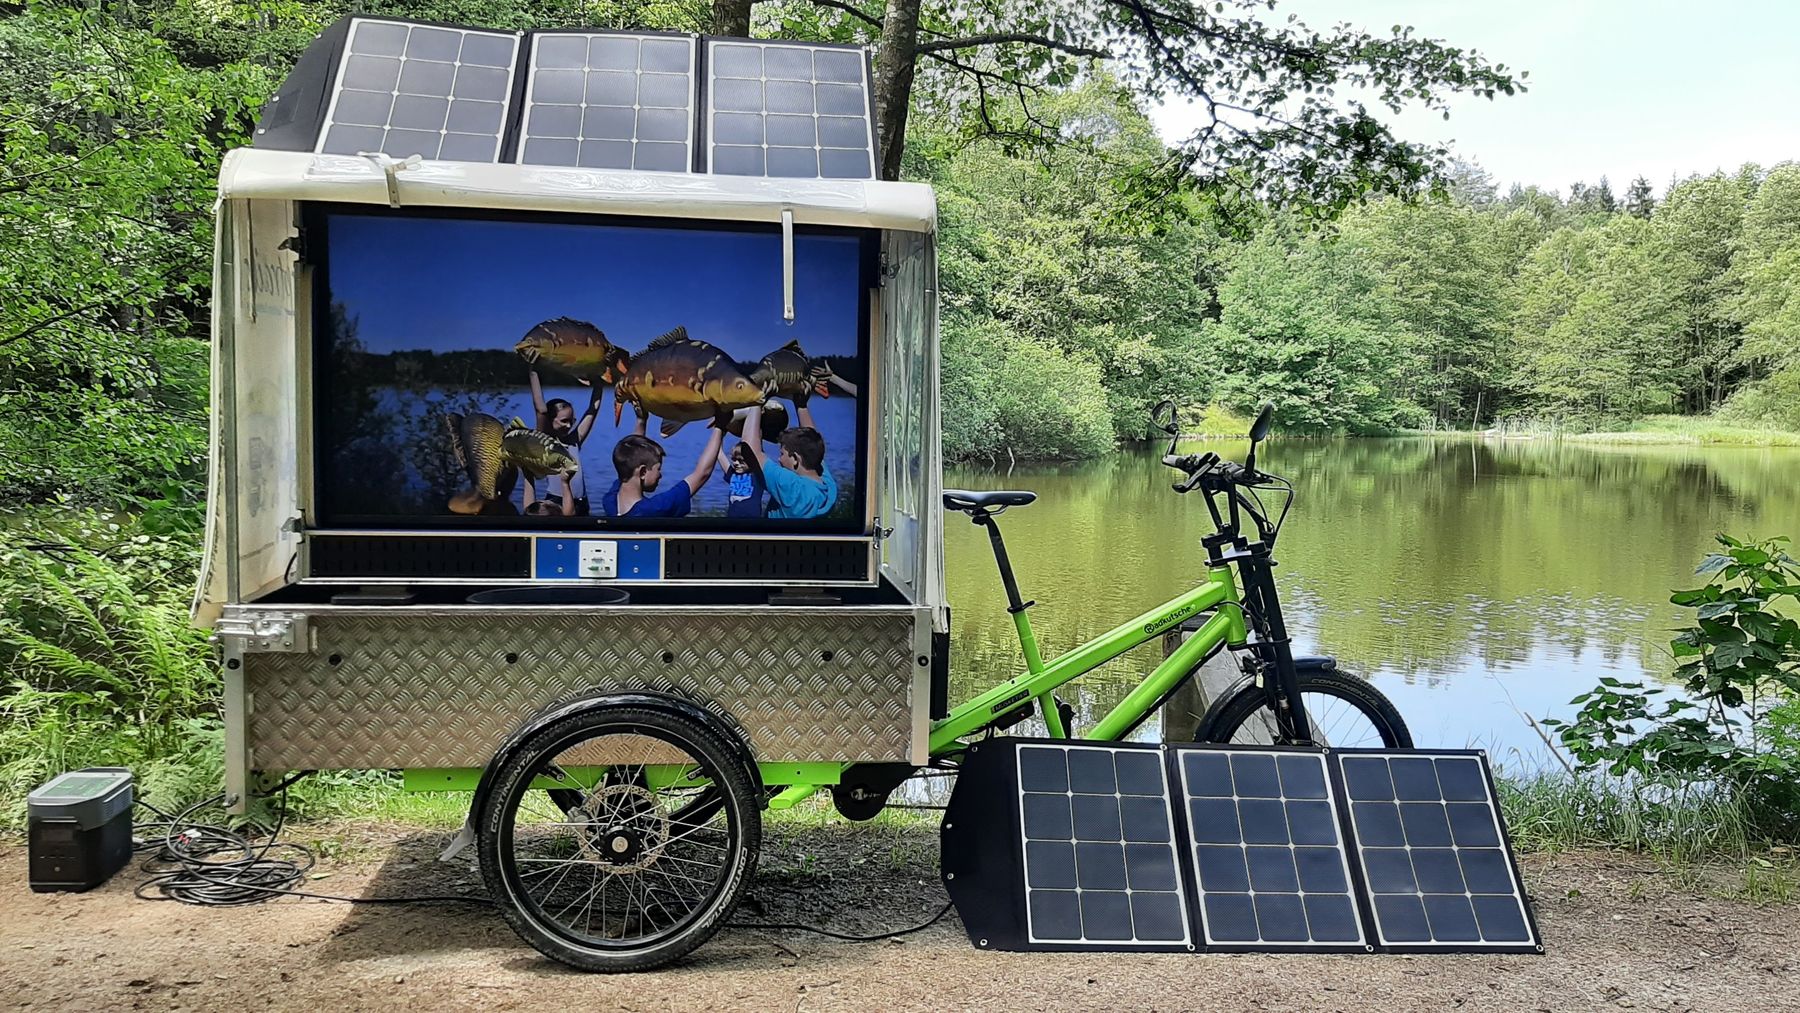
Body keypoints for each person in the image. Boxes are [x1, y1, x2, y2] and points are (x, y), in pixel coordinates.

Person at [600, 410, 726, 518]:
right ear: (643, 472)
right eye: (658, 469)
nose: (660, 475)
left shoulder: (609, 502)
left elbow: (630, 460)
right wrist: (720, 425)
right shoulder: (654, 509)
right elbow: (702, 474)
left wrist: (641, 419)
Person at [741, 394, 837, 519]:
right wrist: (801, 405)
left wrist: (756, 400)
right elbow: (812, 442)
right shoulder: (829, 488)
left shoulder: (792, 487)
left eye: (782, 454)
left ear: (795, 459)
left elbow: (750, 450)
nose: (779, 459)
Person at [522, 368, 601, 516]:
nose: (569, 426)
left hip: (582, 503)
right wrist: (533, 371)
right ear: (551, 421)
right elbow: (541, 410)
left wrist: (599, 381)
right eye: (564, 421)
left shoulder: (574, 441)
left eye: (572, 421)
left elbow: (592, 411)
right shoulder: (545, 443)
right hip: (557, 503)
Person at [716, 440, 768, 518]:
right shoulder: (732, 474)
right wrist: (721, 431)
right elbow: (719, 454)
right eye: (734, 459)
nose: (736, 463)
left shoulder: (757, 475)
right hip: (732, 521)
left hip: (752, 522)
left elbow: (759, 453)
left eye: (740, 460)